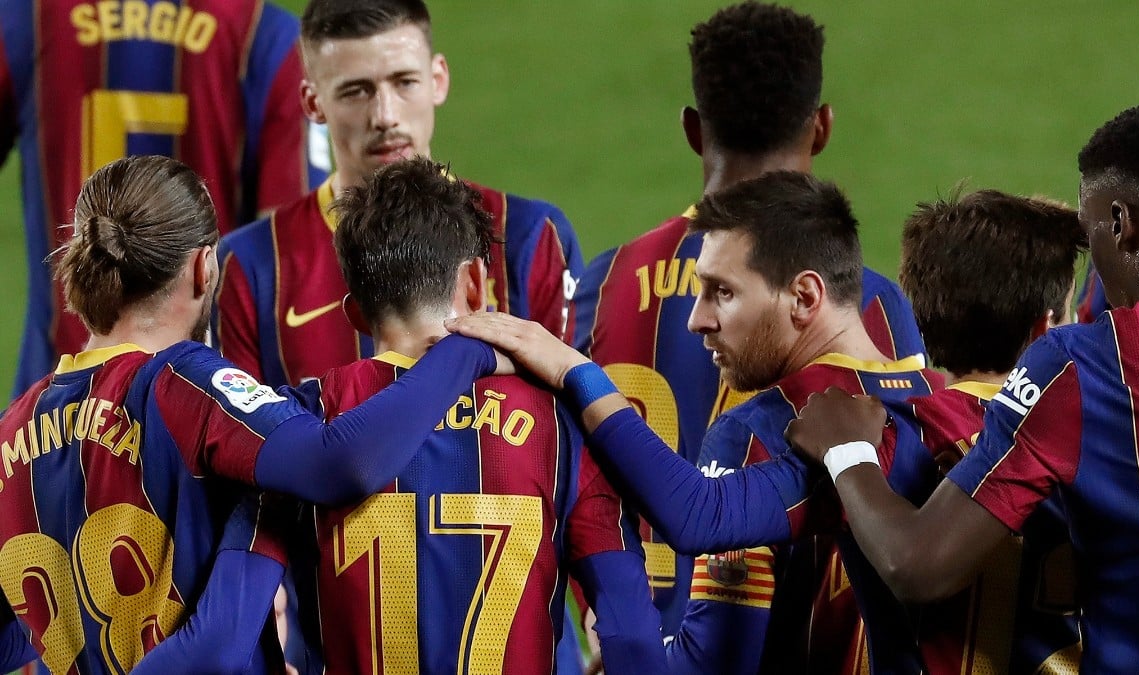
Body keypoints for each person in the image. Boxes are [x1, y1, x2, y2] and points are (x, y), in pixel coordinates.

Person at [0, 155, 513, 673]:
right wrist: (470, 346)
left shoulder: (11, 430)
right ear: (205, 268)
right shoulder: (184, 382)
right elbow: (341, 463)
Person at [451, 170, 941, 673]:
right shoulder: (947, 407)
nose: (697, 318)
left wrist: (630, 644)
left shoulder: (762, 432)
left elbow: (708, 666)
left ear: (805, 297)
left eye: (722, 292)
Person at [786, 100, 1139, 673]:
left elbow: (920, 565)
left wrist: (846, 449)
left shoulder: (1085, 363)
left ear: (1121, 224)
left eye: (1091, 233)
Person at [572, 1, 930, 640]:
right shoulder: (867, 302)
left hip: (635, 639)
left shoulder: (605, 283)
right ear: (820, 127)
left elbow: (569, 475)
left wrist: (615, 619)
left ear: (690, 129)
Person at [251, 157, 661, 675]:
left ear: (355, 312)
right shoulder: (562, 428)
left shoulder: (303, 421)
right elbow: (633, 637)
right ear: (474, 284)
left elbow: (238, 618)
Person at [215, 0, 584, 388]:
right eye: (356, 91)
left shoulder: (530, 237)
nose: (385, 116)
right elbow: (240, 443)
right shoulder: (250, 266)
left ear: (438, 80)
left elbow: (577, 421)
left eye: (404, 82)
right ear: (313, 103)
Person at [0, 0, 328, 396]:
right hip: (208, 405)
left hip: (51, 406)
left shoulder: (30, 18)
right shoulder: (265, 35)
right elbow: (294, 245)